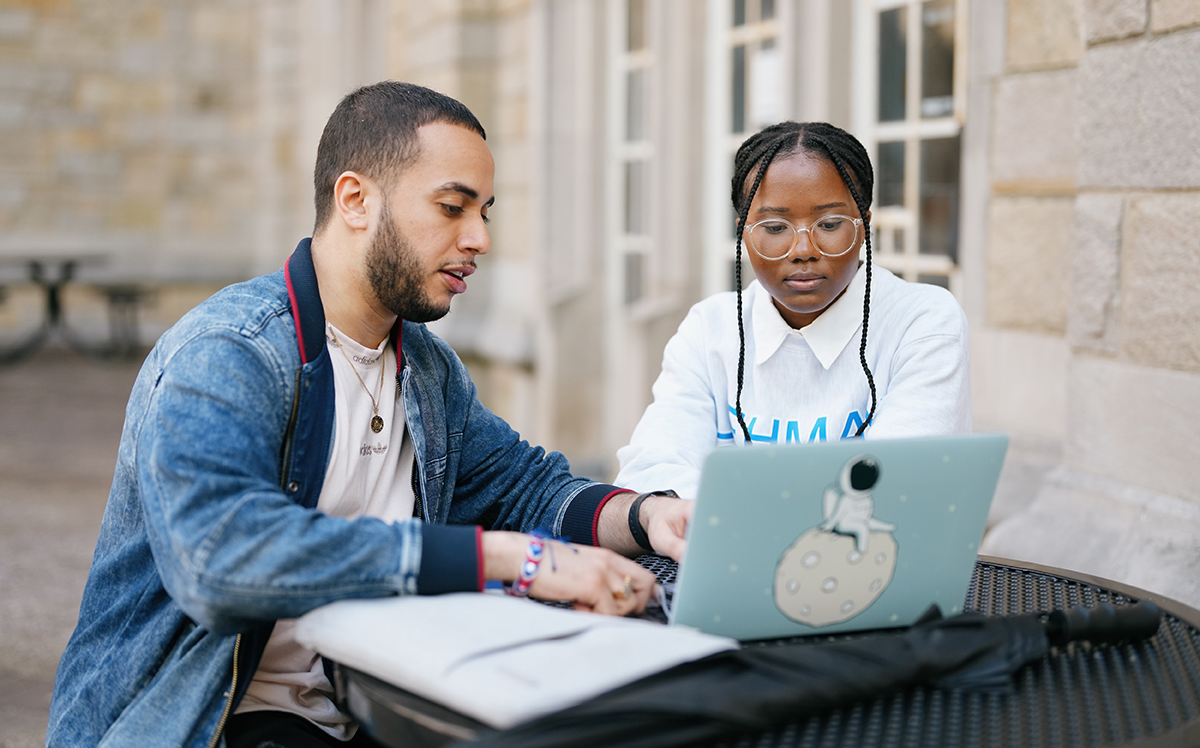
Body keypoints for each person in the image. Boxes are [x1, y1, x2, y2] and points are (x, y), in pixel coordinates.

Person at [46, 82, 691, 748]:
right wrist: (510, 560)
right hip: (207, 722)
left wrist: (649, 516)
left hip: (373, 707)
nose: (480, 238)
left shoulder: (427, 369)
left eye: (485, 212)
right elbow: (220, 559)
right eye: (452, 207)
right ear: (355, 199)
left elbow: (525, 488)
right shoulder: (227, 354)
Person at [614, 121, 971, 498]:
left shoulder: (923, 322)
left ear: (864, 225)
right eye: (774, 226)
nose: (803, 249)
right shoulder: (709, 329)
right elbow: (650, 475)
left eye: (830, 223)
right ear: (744, 233)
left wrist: (727, 503)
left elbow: (899, 486)